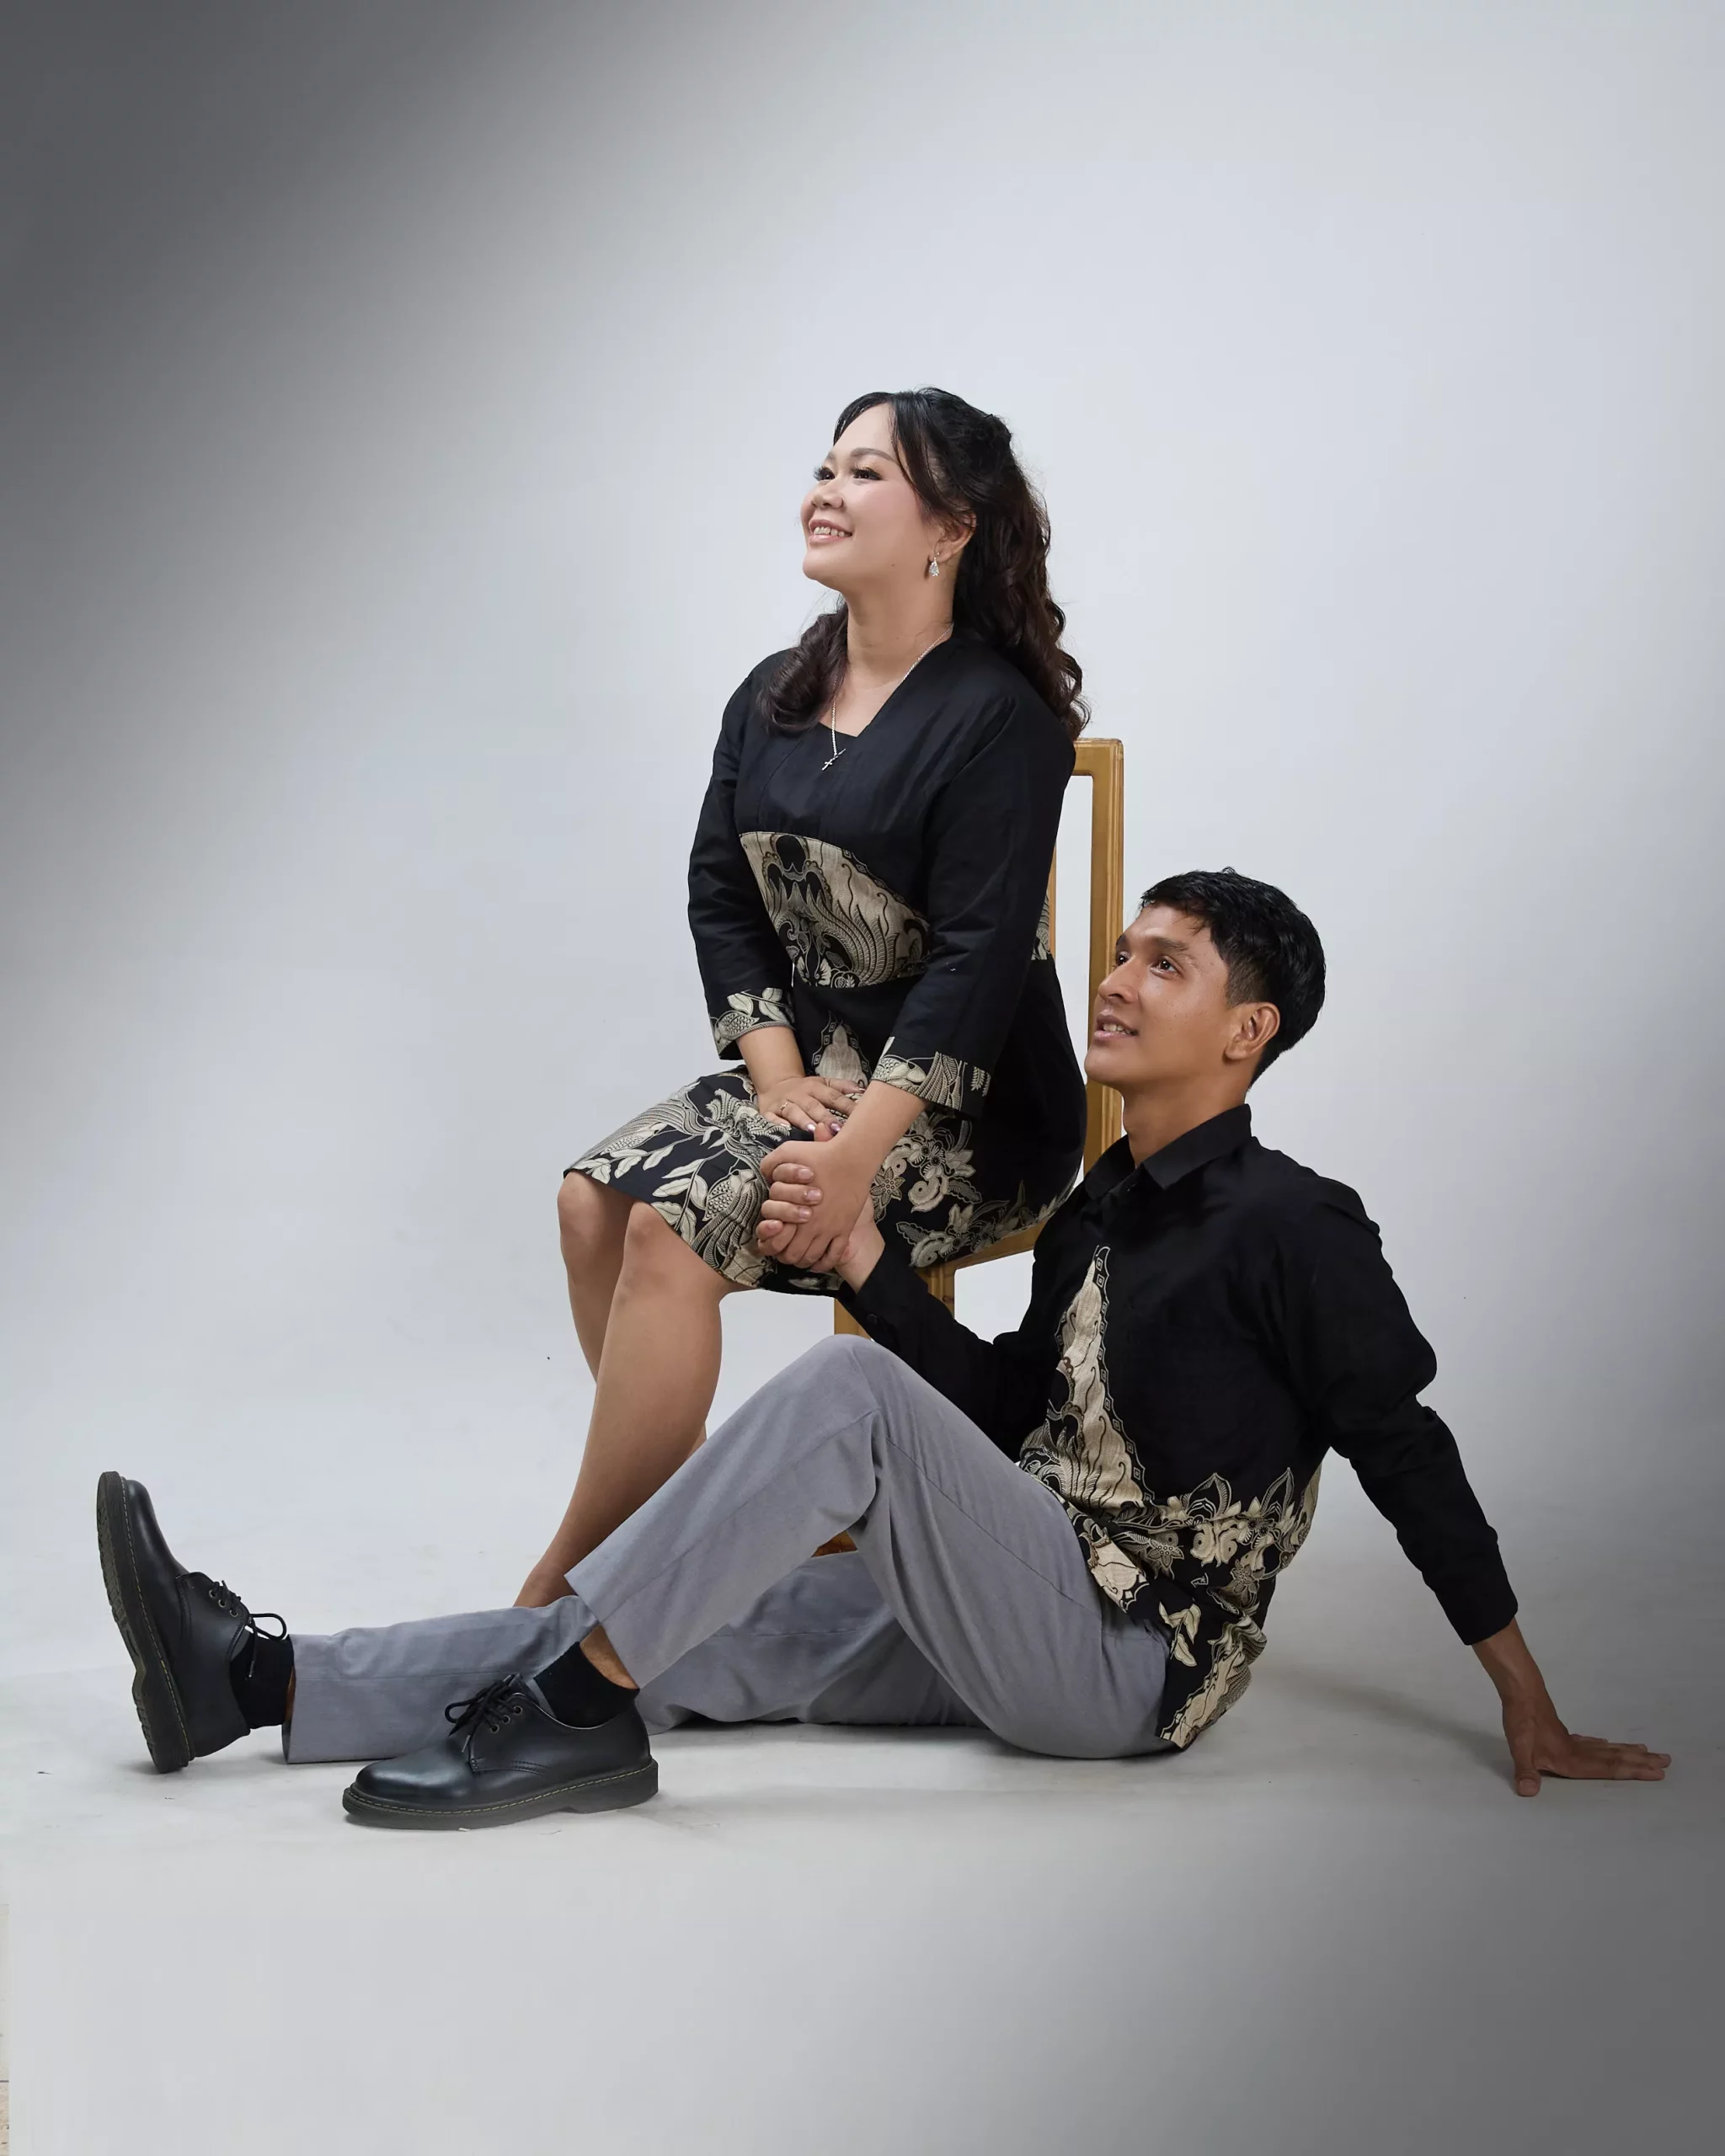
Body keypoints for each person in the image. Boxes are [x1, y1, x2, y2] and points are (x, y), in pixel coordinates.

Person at [95, 870, 1669, 1822]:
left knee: (834, 1401)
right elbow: (1005, 1412)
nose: (1115, 980)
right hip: (1018, 1589)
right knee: (681, 1622)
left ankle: (568, 1719)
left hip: (1130, 1660)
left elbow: (1406, 1449)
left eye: (1165, 965)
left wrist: (1522, 1694)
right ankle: (255, 1681)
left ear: (1248, 1032)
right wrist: (872, 1263)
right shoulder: (1099, 1209)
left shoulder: (1298, 1226)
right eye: (1121, 951)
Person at [516, 387, 1088, 1607]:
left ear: (952, 526)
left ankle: (562, 1602)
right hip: (813, 1079)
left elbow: (978, 964)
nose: (824, 493)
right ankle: (672, 1549)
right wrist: (775, 1076)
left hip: (971, 1118)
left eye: (865, 474)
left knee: (668, 1232)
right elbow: (718, 891)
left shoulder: (1002, 721)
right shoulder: (775, 691)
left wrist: (852, 1156)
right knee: (587, 1204)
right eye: (826, 468)